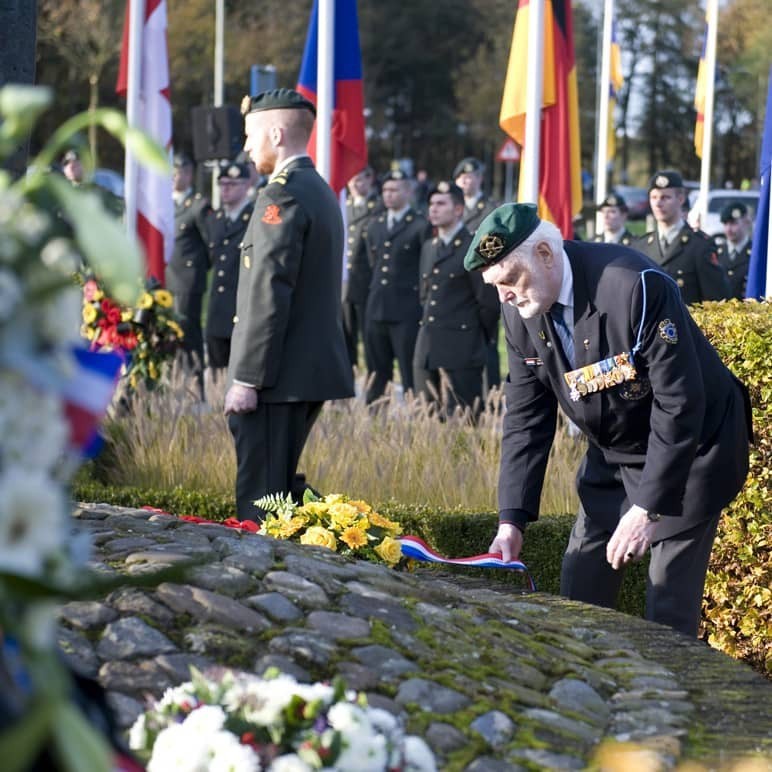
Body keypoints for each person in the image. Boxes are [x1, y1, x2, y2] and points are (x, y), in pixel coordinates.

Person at [465, 203, 752, 637]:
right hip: (615, 448)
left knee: (666, 602)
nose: (503, 295)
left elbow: (679, 403)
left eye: (508, 280)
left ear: (545, 253)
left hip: (693, 451)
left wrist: (648, 507)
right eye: (494, 285)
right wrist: (512, 521)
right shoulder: (518, 311)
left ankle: (671, 700)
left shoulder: (632, 285)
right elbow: (526, 417)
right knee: (580, 588)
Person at [224, 89, 354, 521]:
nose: (245, 146)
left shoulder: (281, 195)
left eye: (250, 135)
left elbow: (268, 290)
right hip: (301, 372)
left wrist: (247, 377)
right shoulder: (317, 190)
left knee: (260, 502)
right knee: (281, 495)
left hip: (277, 377)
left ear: (276, 133)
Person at [413, 181, 499, 417]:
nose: (433, 209)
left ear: (459, 209)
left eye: (441, 204)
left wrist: (475, 338)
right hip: (428, 347)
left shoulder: (475, 248)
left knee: (463, 419)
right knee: (426, 421)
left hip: (462, 348)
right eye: (431, 204)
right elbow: (424, 295)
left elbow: (489, 304)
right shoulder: (429, 246)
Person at [363, 168, 430, 404]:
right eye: (385, 190)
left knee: (409, 372)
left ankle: (415, 417)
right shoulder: (375, 225)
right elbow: (372, 264)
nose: (389, 195)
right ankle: (374, 418)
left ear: (409, 191)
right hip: (377, 308)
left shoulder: (420, 225)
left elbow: (425, 269)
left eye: (395, 189)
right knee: (376, 371)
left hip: (406, 311)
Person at [634, 170, 730, 304]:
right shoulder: (641, 246)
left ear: (681, 199)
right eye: (654, 197)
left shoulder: (700, 245)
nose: (658, 204)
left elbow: (716, 299)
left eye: (665, 197)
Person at [454, 156, 502, 391]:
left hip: (485, 282)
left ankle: (491, 391)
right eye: (462, 177)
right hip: (458, 283)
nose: (467, 181)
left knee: (488, 340)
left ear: (480, 179)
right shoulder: (451, 207)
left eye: (471, 176)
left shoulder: (491, 209)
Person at [166, 152, 211, 388]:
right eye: (172, 171)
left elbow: (211, 243)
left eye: (181, 171)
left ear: (190, 174)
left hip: (187, 279)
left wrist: (199, 269)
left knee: (188, 332)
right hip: (164, 279)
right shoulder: (163, 203)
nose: (175, 176)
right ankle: (172, 382)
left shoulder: (198, 205)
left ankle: (195, 383)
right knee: (166, 333)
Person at [204, 160, 254, 375]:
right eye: (222, 184)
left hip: (240, 308)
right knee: (217, 373)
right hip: (217, 311)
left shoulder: (254, 218)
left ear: (246, 185)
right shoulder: (215, 219)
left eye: (232, 184)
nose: (225, 189)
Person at [343, 166, 382, 369]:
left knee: (370, 338)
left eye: (360, 180)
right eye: (352, 180)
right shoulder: (344, 206)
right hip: (345, 284)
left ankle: (372, 379)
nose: (356, 185)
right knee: (345, 336)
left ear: (370, 180)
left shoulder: (378, 207)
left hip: (366, 283)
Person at [714, 202, 752, 300]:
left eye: (734, 223)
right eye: (725, 224)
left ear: (746, 222)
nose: (728, 229)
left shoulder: (755, 254)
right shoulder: (717, 252)